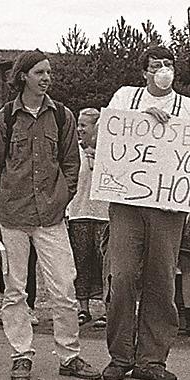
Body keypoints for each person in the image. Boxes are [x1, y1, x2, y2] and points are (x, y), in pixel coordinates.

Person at [0, 51, 100, 380]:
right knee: (15, 289)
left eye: (48, 72)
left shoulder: (61, 116)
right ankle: (21, 354)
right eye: (39, 72)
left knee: (64, 286)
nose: (46, 77)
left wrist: (62, 197)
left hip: (51, 216)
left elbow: (71, 164)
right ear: (23, 77)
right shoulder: (5, 119)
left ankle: (70, 355)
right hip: (12, 216)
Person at [102, 46, 190, 380]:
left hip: (168, 207)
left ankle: (152, 358)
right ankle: (120, 354)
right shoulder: (125, 97)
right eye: (156, 65)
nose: (163, 70)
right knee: (122, 277)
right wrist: (143, 119)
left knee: (161, 279)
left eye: (169, 64)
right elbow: (111, 131)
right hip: (127, 204)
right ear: (144, 71)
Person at [66, 108, 109, 328]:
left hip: (103, 214)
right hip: (79, 212)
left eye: (84, 125)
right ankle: (83, 308)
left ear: (96, 127)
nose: (80, 129)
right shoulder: (72, 150)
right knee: (80, 261)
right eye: (78, 125)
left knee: (105, 262)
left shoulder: (110, 150)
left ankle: (107, 308)